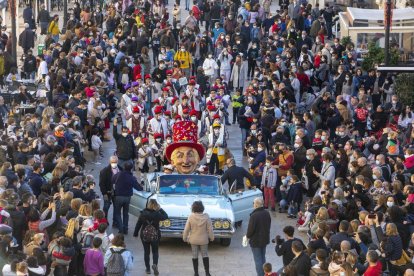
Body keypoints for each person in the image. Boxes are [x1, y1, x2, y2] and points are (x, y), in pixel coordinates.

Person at [133, 199, 168, 275]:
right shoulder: (157, 214)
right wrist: (160, 209)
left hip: (144, 235)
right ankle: (155, 264)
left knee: (146, 252)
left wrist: (135, 233)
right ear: (156, 205)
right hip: (155, 236)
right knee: (155, 252)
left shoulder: (143, 213)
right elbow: (166, 216)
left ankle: (148, 269)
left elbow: (138, 224)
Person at [183, 201, 214, 276]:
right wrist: (212, 237)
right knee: (205, 255)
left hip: (193, 239)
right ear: (202, 208)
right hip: (204, 240)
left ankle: (196, 273)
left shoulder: (191, 216)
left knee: (194, 255)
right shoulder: (206, 216)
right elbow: (210, 229)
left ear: (193, 208)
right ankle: (207, 273)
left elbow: (186, 229)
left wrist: (185, 238)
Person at [112, 161, 142, 235]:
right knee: (126, 213)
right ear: (131, 169)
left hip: (118, 196)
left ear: (124, 167)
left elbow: (112, 180)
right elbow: (138, 188)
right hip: (127, 197)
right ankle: (125, 228)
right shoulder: (131, 177)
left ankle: (121, 228)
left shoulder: (118, 174)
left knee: (118, 213)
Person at [246, 197, 272, 276]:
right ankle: (265, 274)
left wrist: (247, 236)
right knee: (262, 258)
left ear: (256, 205)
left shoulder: (254, 215)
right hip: (264, 239)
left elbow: (250, 230)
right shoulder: (267, 213)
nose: (253, 204)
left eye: (253, 203)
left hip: (256, 241)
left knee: (258, 260)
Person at [99, 155, 122, 224]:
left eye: (115, 162)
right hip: (107, 192)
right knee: (106, 207)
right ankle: (104, 220)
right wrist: (104, 193)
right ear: (110, 162)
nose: (114, 163)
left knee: (117, 208)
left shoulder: (121, 170)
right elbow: (101, 184)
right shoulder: (104, 171)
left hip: (117, 193)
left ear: (117, 162)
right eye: (112, 162)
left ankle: (115, 221)